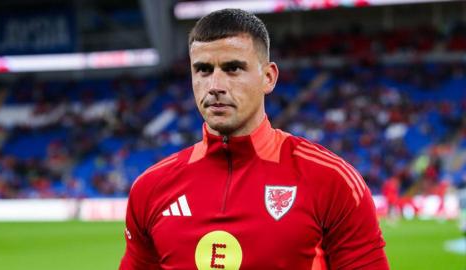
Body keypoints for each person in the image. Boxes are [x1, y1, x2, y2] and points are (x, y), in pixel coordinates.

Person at [120, 8, 389, 269]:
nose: (215, 86)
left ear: (269, 77)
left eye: (233, 68)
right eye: (203, 70)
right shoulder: (150, 189)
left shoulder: (331, 180)